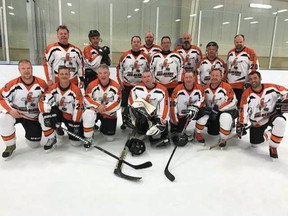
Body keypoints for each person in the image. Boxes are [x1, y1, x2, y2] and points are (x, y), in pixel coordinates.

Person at [0, 59, 47, 159]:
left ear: (32, 69)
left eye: (28, 68)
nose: (26, 71)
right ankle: (10, 145)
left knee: (34, 145)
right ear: (19, 70)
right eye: (23, 68)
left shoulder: (41, 83)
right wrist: (10, 110)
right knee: (3, 118)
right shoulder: (13, 84)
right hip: (16, 114)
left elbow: (48, 98)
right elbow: (1, 96)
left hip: (32, 117)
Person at [237, 71, 287, 159]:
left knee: (280, 121)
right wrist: (242, 124)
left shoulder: (271, 87)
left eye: (255, 78)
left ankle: (273, 147)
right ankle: (269, 133)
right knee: (254, 144)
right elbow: (243, 110)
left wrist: (282, 101)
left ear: (260, 78)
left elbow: (286, 92)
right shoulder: (246, 94)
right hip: (257, 122)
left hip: (272, 116)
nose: (253, 81)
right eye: (251, 79)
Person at [38, 66, 84, 152]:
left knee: (76, 143)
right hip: (57, 115)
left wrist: (75, 123)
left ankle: (60, 128)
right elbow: (42, 102)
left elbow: (79, 107)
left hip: (69, 117)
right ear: (58, 75)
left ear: (69, 75)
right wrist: (49, 115)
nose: (64, 76)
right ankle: (51, 138)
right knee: (42, 116)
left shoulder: (76, 90)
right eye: (62, 74)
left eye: (66, 74)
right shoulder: (52, 88)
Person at [126, 70, 169, 154]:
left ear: (152, 77)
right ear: (142, 79)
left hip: (154, 116)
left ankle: (150, 132)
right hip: (140, 115)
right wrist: (145, 116)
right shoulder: (136, 89)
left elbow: (165, 107)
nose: (147, 79)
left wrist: (161, 120)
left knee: (161, 133)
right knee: (141, 121)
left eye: (148, 76)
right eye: (144, 77)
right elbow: (132, 103)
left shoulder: (162, 90)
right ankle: (140, 130)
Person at [195, 68, 238, 147]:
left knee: (225, 117)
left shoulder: (227, 87)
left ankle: (223, 138)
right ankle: (197, 132)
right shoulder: (205, 88)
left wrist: (219, 108)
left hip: (225, 112)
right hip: (213, 113)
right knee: (210, 127)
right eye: (212, 75)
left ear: (221, 76)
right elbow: (201, 100)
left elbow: (233, 101)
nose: (214, 77)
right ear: (210, 76)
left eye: (217, 76)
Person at [82, 64, 121, 149]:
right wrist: (98, 106)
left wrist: (103, 109)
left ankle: (104, 126)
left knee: (110, 138)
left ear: (109, 73)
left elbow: (117, 103)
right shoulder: (91, 85)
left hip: (108, 113)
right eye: (100, 73)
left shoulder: (116, 86)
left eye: (105, 73)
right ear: (97, 74)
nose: (103, 75)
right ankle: (88, 137)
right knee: (88, 113)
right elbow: (86, 98)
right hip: (95, 111)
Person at [116, 36, 150, 130]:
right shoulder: (125, 55)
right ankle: (124, 121)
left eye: (138, 42)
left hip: (140, 86)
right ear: (131, 43)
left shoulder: (146, 57)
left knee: (139, 104)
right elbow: (119, 69)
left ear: (140, 43)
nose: (136, 43)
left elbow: (149, 71)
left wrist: (147, 83)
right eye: (134, 41)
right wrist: (120, 82)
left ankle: (140, 122)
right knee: (124, 104)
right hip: (127, 85)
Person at [170, 71, 205, 146]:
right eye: (186, 77)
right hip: (181, 115)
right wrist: (175, 119)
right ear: (183, 78)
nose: (188, 79)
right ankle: (176, 127)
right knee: (178, 131)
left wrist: (194, 107)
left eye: (190, 77)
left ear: (194, 78)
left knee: (205, 112)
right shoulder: (178, 89)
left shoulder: (199, 88)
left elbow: (203, 101)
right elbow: (172, 104)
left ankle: (197, 132)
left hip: (193, 112)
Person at [226, 34, 259, 106]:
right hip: (230, 86)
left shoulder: (250, 52)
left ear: (244, 42)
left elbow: (254, 69)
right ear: (234, 42)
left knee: (241, 106)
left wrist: (250, 82)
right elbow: (227, 66)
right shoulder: (230, 52)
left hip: (242, 86)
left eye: (240, 42)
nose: (239, 44)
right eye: (237, 42)